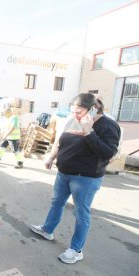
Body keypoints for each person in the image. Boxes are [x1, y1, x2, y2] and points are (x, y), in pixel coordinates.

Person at [29, 93, 120, 264]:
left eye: (79, 112)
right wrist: (51, 158)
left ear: (93, 109)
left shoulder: (108, 126)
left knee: (81, 213)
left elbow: (108, 153)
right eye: (73, 111)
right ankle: (47, 230)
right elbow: (61, 142)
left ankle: (76, 250)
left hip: (85, 178)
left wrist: (89, 132)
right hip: (64, 173)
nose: (75, 115)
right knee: (56, 203)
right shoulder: (72, 120)